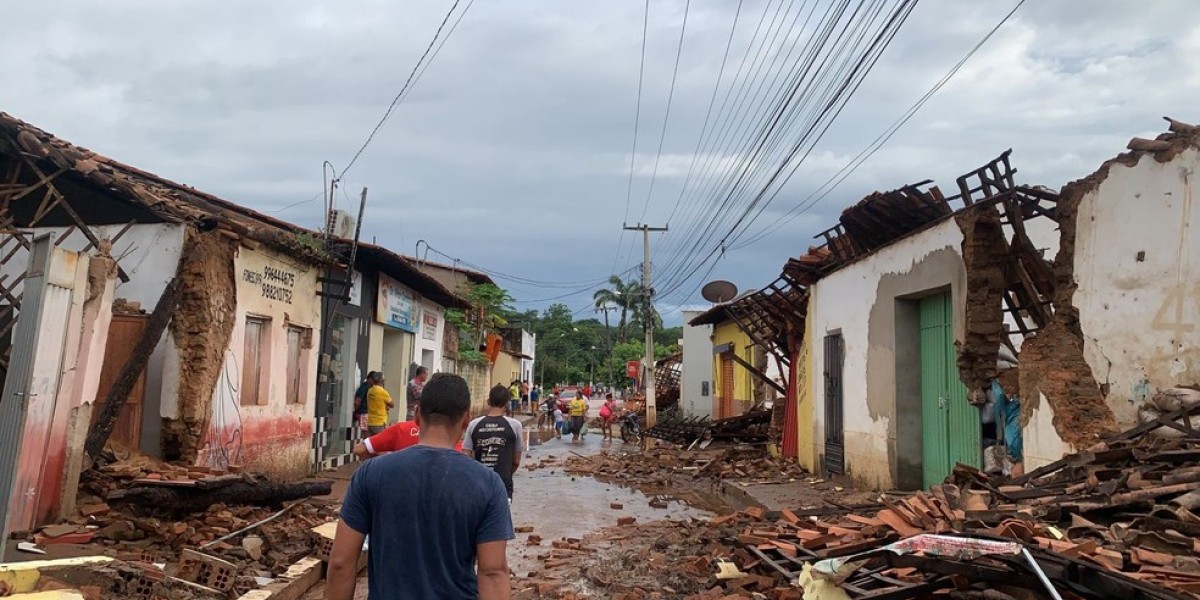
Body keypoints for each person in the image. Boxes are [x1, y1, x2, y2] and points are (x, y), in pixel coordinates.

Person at [327, 373, 513, 600]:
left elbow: (340, 563)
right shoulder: (488, 484)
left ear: (417, 415)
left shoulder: (370, 474)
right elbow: (493, 573)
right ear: (466, 420)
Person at [463, 385, 525, 501]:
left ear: (488, 401)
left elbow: (466, 457)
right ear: (507, 404)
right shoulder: (515, 425)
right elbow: (516, 461)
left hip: (478, 484)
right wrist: (506, 473)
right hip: (503, 485)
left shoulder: (474, 424)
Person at [352, 419, 463, 459]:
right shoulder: (457, 444)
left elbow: (358, 450)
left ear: (417, 412)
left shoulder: (401, 429)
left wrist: (390, 457)